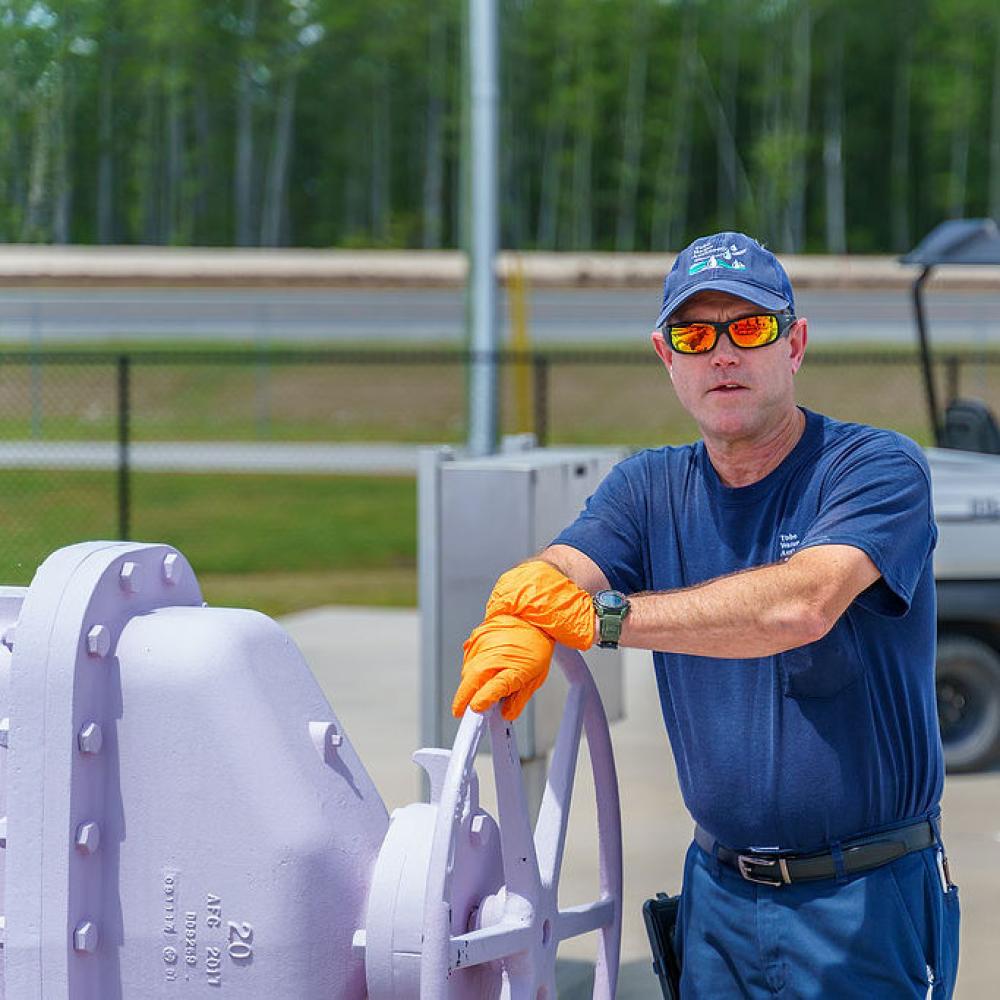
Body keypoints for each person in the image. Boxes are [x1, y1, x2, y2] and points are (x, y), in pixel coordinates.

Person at [451, 232, 960, 998]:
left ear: (796, 344)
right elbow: (553, 573)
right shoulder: (647, 489)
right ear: (667, 356)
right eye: (695, 334)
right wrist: (518, 617)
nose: (722, 354)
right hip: (718, 897)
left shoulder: (872, 467)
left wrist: (605, 619)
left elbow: (803, 603)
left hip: (862, 896)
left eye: (749, 328)